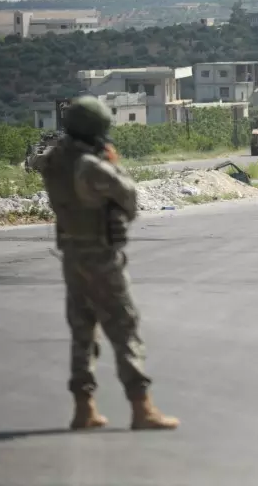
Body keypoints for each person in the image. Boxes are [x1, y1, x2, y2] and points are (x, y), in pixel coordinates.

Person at [35, 96, 179, 432]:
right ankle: (142, 408)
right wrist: (113, 163)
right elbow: (128, 198)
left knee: (82, 330)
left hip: (72, 254)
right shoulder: (91, 166)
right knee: (123, 325)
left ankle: (84, 409)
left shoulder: (54, 160)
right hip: (100, 255)